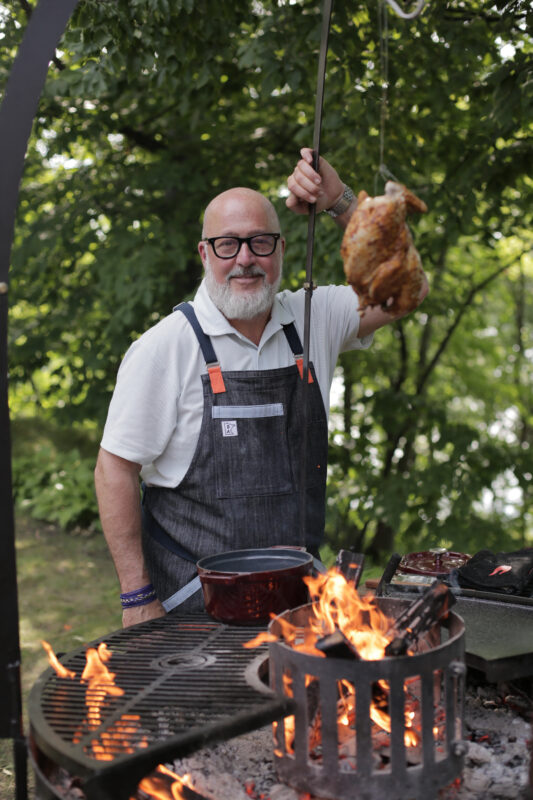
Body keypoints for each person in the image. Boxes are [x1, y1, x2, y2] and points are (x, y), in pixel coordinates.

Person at [94, 148, 429, 627]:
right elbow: (113, 470)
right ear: (205, 253)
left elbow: (409, 291)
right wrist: (136, 598)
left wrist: (339, 200)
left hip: (299, 607)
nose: (246, 259)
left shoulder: (314, 318)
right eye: (228, 244)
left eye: (260, 243)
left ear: (282, 249)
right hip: (192, 610)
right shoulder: (165, 348)